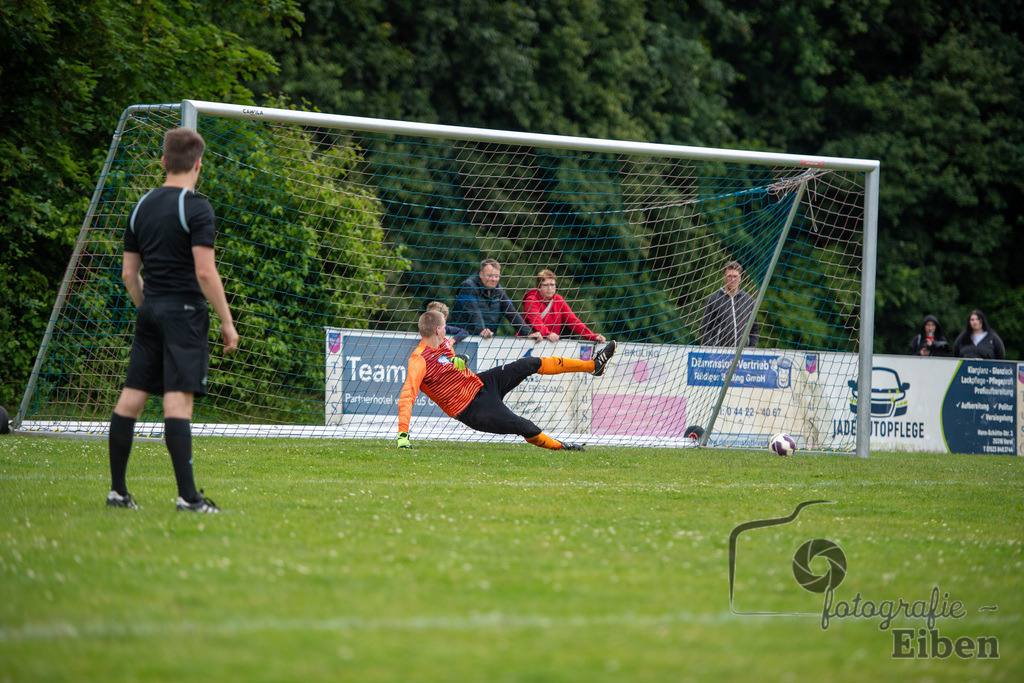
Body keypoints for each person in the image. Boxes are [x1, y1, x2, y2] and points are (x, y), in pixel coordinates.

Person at [106, 127, 239, 513]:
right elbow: (205, 271)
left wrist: (147, 306)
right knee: (177, 405)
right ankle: (188, 498)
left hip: (150, 310)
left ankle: (118, 492)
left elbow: (130, 274)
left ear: (163, 162)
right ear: (198, 164)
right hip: (185, 314)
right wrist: (227, 322)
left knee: (130, 400)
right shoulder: (196, 207)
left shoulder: (141, 206)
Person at [396, 311, 616, 452]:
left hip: (481, 383)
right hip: (471, 409)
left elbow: (449, 363)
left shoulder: (443, 342)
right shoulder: (418, 359)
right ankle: (563, 448)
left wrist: (457, 361)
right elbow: (407, 396)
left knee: (528, 363)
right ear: (437, 329)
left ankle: (593, 366)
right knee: (524, 426)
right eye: (444, 327)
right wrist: (403, 435)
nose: (445, 330)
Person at [450, 258, 541, 340]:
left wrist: (528, 333)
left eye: (497, 276)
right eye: (490, 276)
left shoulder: (498, 290)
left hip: (488, 339)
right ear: (481, 274)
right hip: (463, 338)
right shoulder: (468, 287)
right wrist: (482, 330)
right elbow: (473, 312)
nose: (494, 279)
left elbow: (512, 312)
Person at [522, 269, 606, 343]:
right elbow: (536, 322)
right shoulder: (531, 300)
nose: (550, 288)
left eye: (552, 285)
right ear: (538, 287)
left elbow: (573, 321)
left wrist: (592, 336)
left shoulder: (558, 300)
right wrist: (548, 334)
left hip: (550, 343)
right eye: (546, 285)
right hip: (529, 342)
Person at [699, 261, 759, 347]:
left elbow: (754, 329)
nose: (732, 279)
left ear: (740, 278)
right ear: (724, 278)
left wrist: (751, 349)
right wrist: (712, 349)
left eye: (735, 276)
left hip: (743, 354)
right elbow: (705, 329)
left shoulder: (748, 299)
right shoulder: (713, 299)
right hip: (719, 353)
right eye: (729, 276)